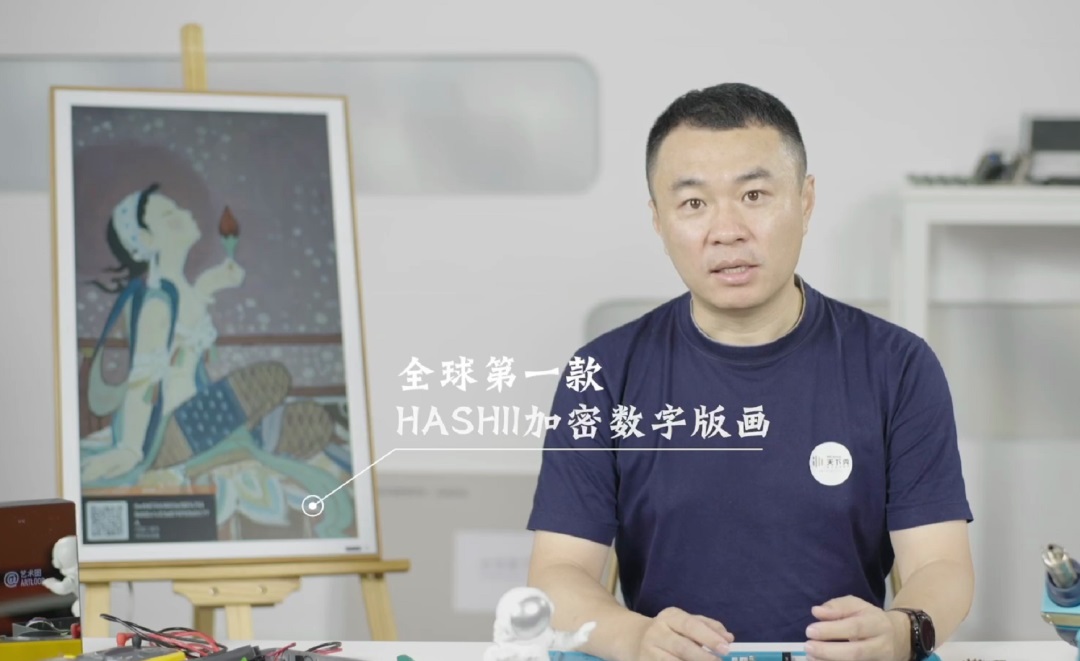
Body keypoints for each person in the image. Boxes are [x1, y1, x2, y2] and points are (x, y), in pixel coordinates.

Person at [524, 83, 974, 661]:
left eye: (755, 195)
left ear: (805, 201)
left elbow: (941, 564)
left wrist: (902, 631)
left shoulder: (897, 366)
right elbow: (559, 575)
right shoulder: (605, 375)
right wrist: (634, 637)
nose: (727, 229)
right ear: (658, 219)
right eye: (693, 203)